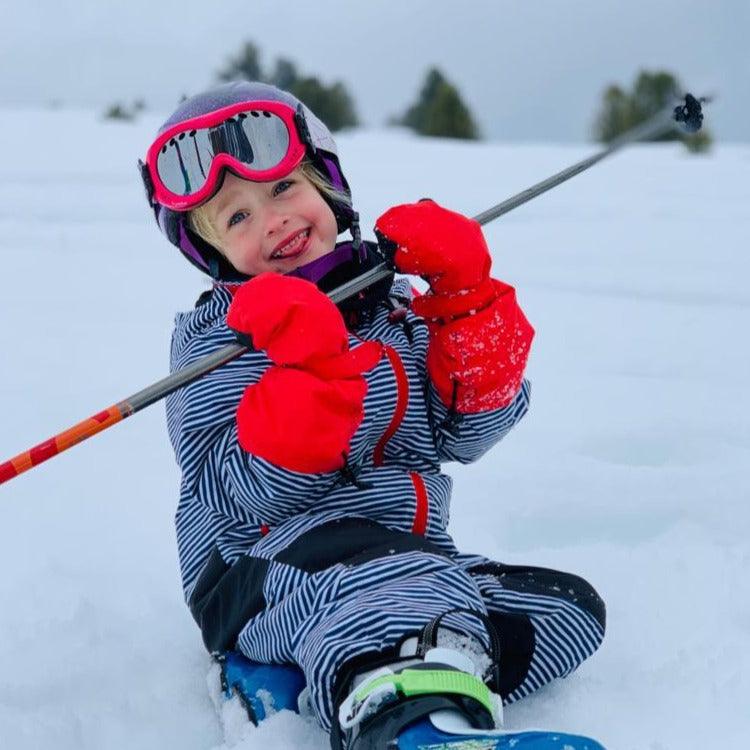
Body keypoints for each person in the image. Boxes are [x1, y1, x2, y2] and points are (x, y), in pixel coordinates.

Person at [140, 81, 605, 748]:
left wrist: (466, 305)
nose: (272, 220)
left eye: (283, 189)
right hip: (260, 569)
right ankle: (412, 726)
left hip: (401, 554)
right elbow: (238, 498)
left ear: (329, 187)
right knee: (390, 580)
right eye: (236, 219)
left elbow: (467, 433)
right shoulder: (218, 341)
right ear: (212, 253)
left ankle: (391, 657)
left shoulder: (391, 307)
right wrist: (308, 375)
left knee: (564, 609)